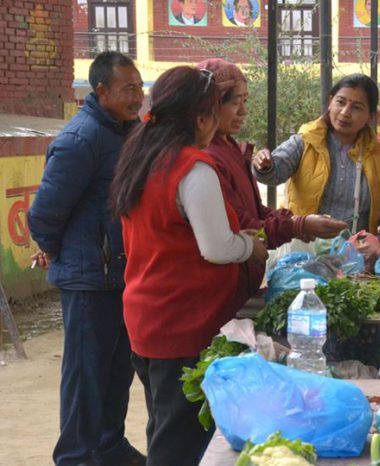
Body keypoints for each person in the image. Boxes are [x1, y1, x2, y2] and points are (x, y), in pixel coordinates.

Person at [111, 66, 269, 465]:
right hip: (181, 321)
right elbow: (218, 246)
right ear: (201, 119)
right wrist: (250, 247)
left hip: (147, 315)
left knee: (164, 424)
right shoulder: (192, 168)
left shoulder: (142, 156)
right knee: (179, 440)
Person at [27, 51, 146, 466]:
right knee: (84, 376)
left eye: (140, 86)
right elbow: (43, 215)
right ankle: (77, 457)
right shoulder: (81, 140)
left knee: (117, 371)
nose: (138, 96)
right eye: (128, 88)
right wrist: (63, 252)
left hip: (121, 274)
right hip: (89, 280)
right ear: (101, 91)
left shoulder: (128, 131)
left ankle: (109, 446)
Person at [197, 58, 347, 300]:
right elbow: (242, 228)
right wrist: (298, 225)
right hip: (219, 288)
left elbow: (254, 212)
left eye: (245, 101)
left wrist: (297, 223)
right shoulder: (207, 159)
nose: (243, 111)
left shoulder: (229, 146)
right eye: (236, 103)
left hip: (240, 282)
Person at [252, 73, 380, 263]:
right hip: (301, 254)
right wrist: (264, 164)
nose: (345, 112)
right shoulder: (306, 141)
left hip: (355, 262)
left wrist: (379, 241)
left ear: (370, 116)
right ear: (330, 101)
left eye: (357, 107)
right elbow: (272, 175)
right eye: (341, 102)